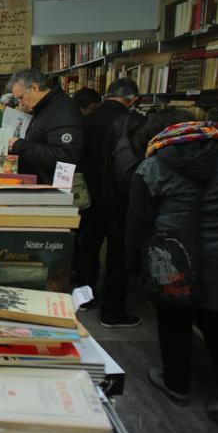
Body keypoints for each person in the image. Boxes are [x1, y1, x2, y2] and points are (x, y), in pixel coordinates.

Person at [126, 121, 218, 424]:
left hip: (176, 250)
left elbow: (138, 222)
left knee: (174, 317)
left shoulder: (152, 166)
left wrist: (137, 261)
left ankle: (176, 383)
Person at [74, 78, 140, 326]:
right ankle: (112, 311)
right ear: (132, 98)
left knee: (88, 246)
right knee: (117, 254)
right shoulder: (129, 121)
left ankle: (85, 297)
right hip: (118, 197)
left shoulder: (88, 116)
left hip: (88, 194)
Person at [7, 68, 83, 184]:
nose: (20, 103)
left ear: (35, 88)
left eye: (21, 97)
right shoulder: (43, 108)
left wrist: (20, 146)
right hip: (43, 186)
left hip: (55, 190)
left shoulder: (62, 109)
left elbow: (66, 156)